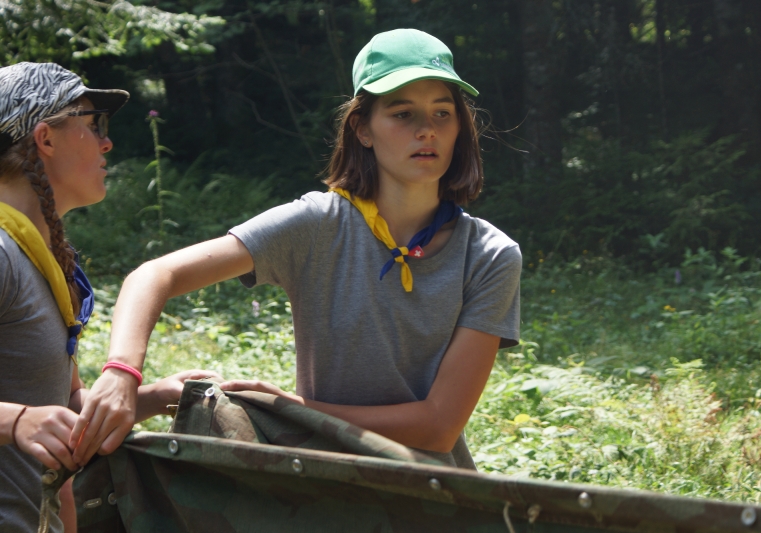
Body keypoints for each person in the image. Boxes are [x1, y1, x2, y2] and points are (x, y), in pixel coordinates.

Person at [71, 28, 522, 469]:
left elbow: (438, 427)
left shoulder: (490, 255)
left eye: (442, 113)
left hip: (436, 497)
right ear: (362, 129)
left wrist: (292, 409)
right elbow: (154, 275)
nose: (427, 130)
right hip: (318, 490)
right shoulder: (317, 224)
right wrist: (121, 373)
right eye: (403, 114)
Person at [0, 62, 220, 533]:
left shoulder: (39, 259)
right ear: (46, 139)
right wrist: (14, 421)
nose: (107, 143)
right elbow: (29, 416)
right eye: (94, 123)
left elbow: (59, 404)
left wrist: (153, 397)